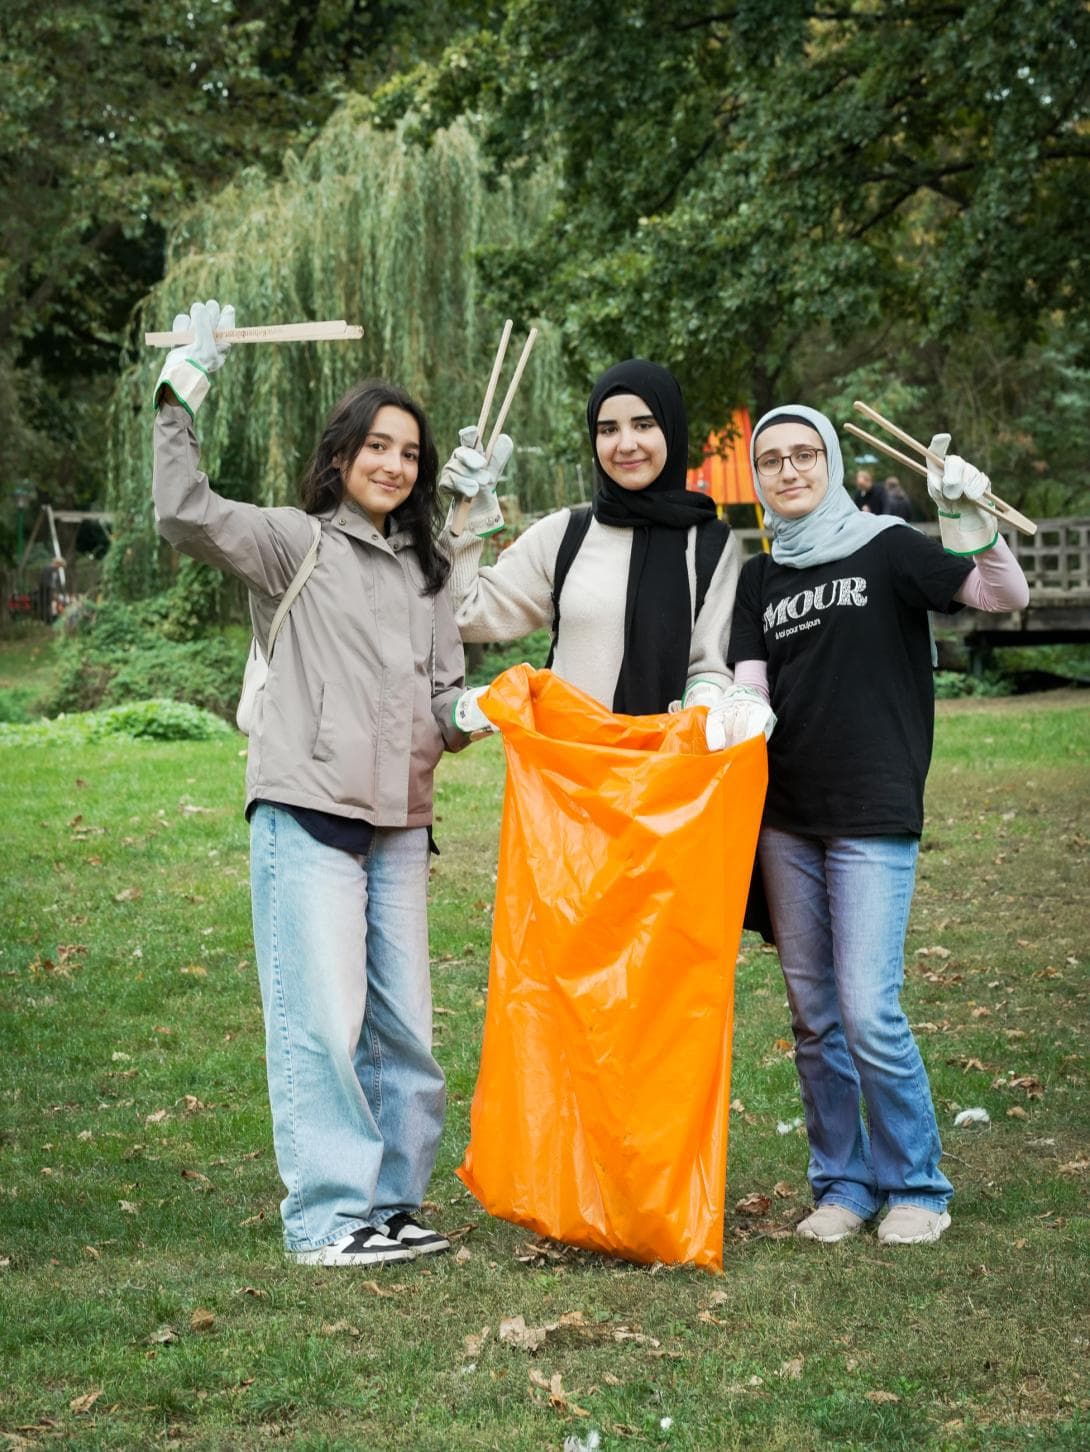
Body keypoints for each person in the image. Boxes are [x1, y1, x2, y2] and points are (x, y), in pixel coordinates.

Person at [153, 299, 487, 1268]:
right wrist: (180, 395)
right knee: (323, 1024)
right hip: (305, 813)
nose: (394, 464)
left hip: (399, 827)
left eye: (410, 454)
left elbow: (441, 697)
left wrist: (476, 716)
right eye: (377, 447)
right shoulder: (288, 544)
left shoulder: (425, 572)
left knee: (405, 1033)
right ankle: (327, 1219)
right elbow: (181, 511)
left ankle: (390, 1206)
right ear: (342, 456)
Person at [714, 405, 1029, 1246]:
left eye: (804, 454)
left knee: (866, 1007)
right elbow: (751, 690)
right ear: (758, 475)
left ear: (832, 460)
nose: (788, 471)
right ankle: (843, 1185)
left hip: (873, 810)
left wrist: (975, 518)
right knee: (814, 1015)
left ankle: (918, 1184)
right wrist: (726, 708)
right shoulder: (761, 574)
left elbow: (1001, 593)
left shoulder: (886, 544)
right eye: (771, 459)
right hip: (786, 819)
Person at [436, 359, 743, 727]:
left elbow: (712, 665)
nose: (626, 444)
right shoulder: (565, 534)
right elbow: (462, 613)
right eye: (608, 429)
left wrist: (702, 708)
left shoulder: (711, 545)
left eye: (643, 424)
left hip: (668, 771)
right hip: (569, 771)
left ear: (672, 428)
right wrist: (465, 518)